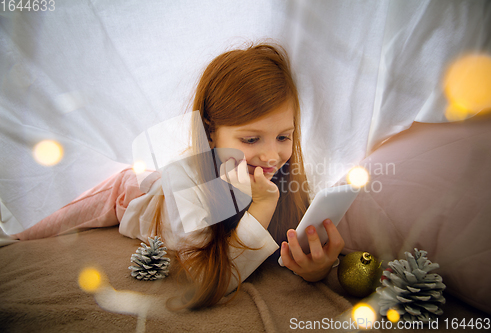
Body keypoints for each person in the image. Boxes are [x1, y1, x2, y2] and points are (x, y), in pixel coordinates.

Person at [13, 43, 344, 309]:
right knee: (50, 223)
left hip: (164, 182)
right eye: (251, 139)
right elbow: (211, 282)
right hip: (133, 193)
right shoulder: (189, 183)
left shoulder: (282, 174)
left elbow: (277, 244)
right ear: (211, 133)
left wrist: (317, 267)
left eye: (283, 137)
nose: (272, 156)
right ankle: (12, 236)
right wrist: (262, 206)